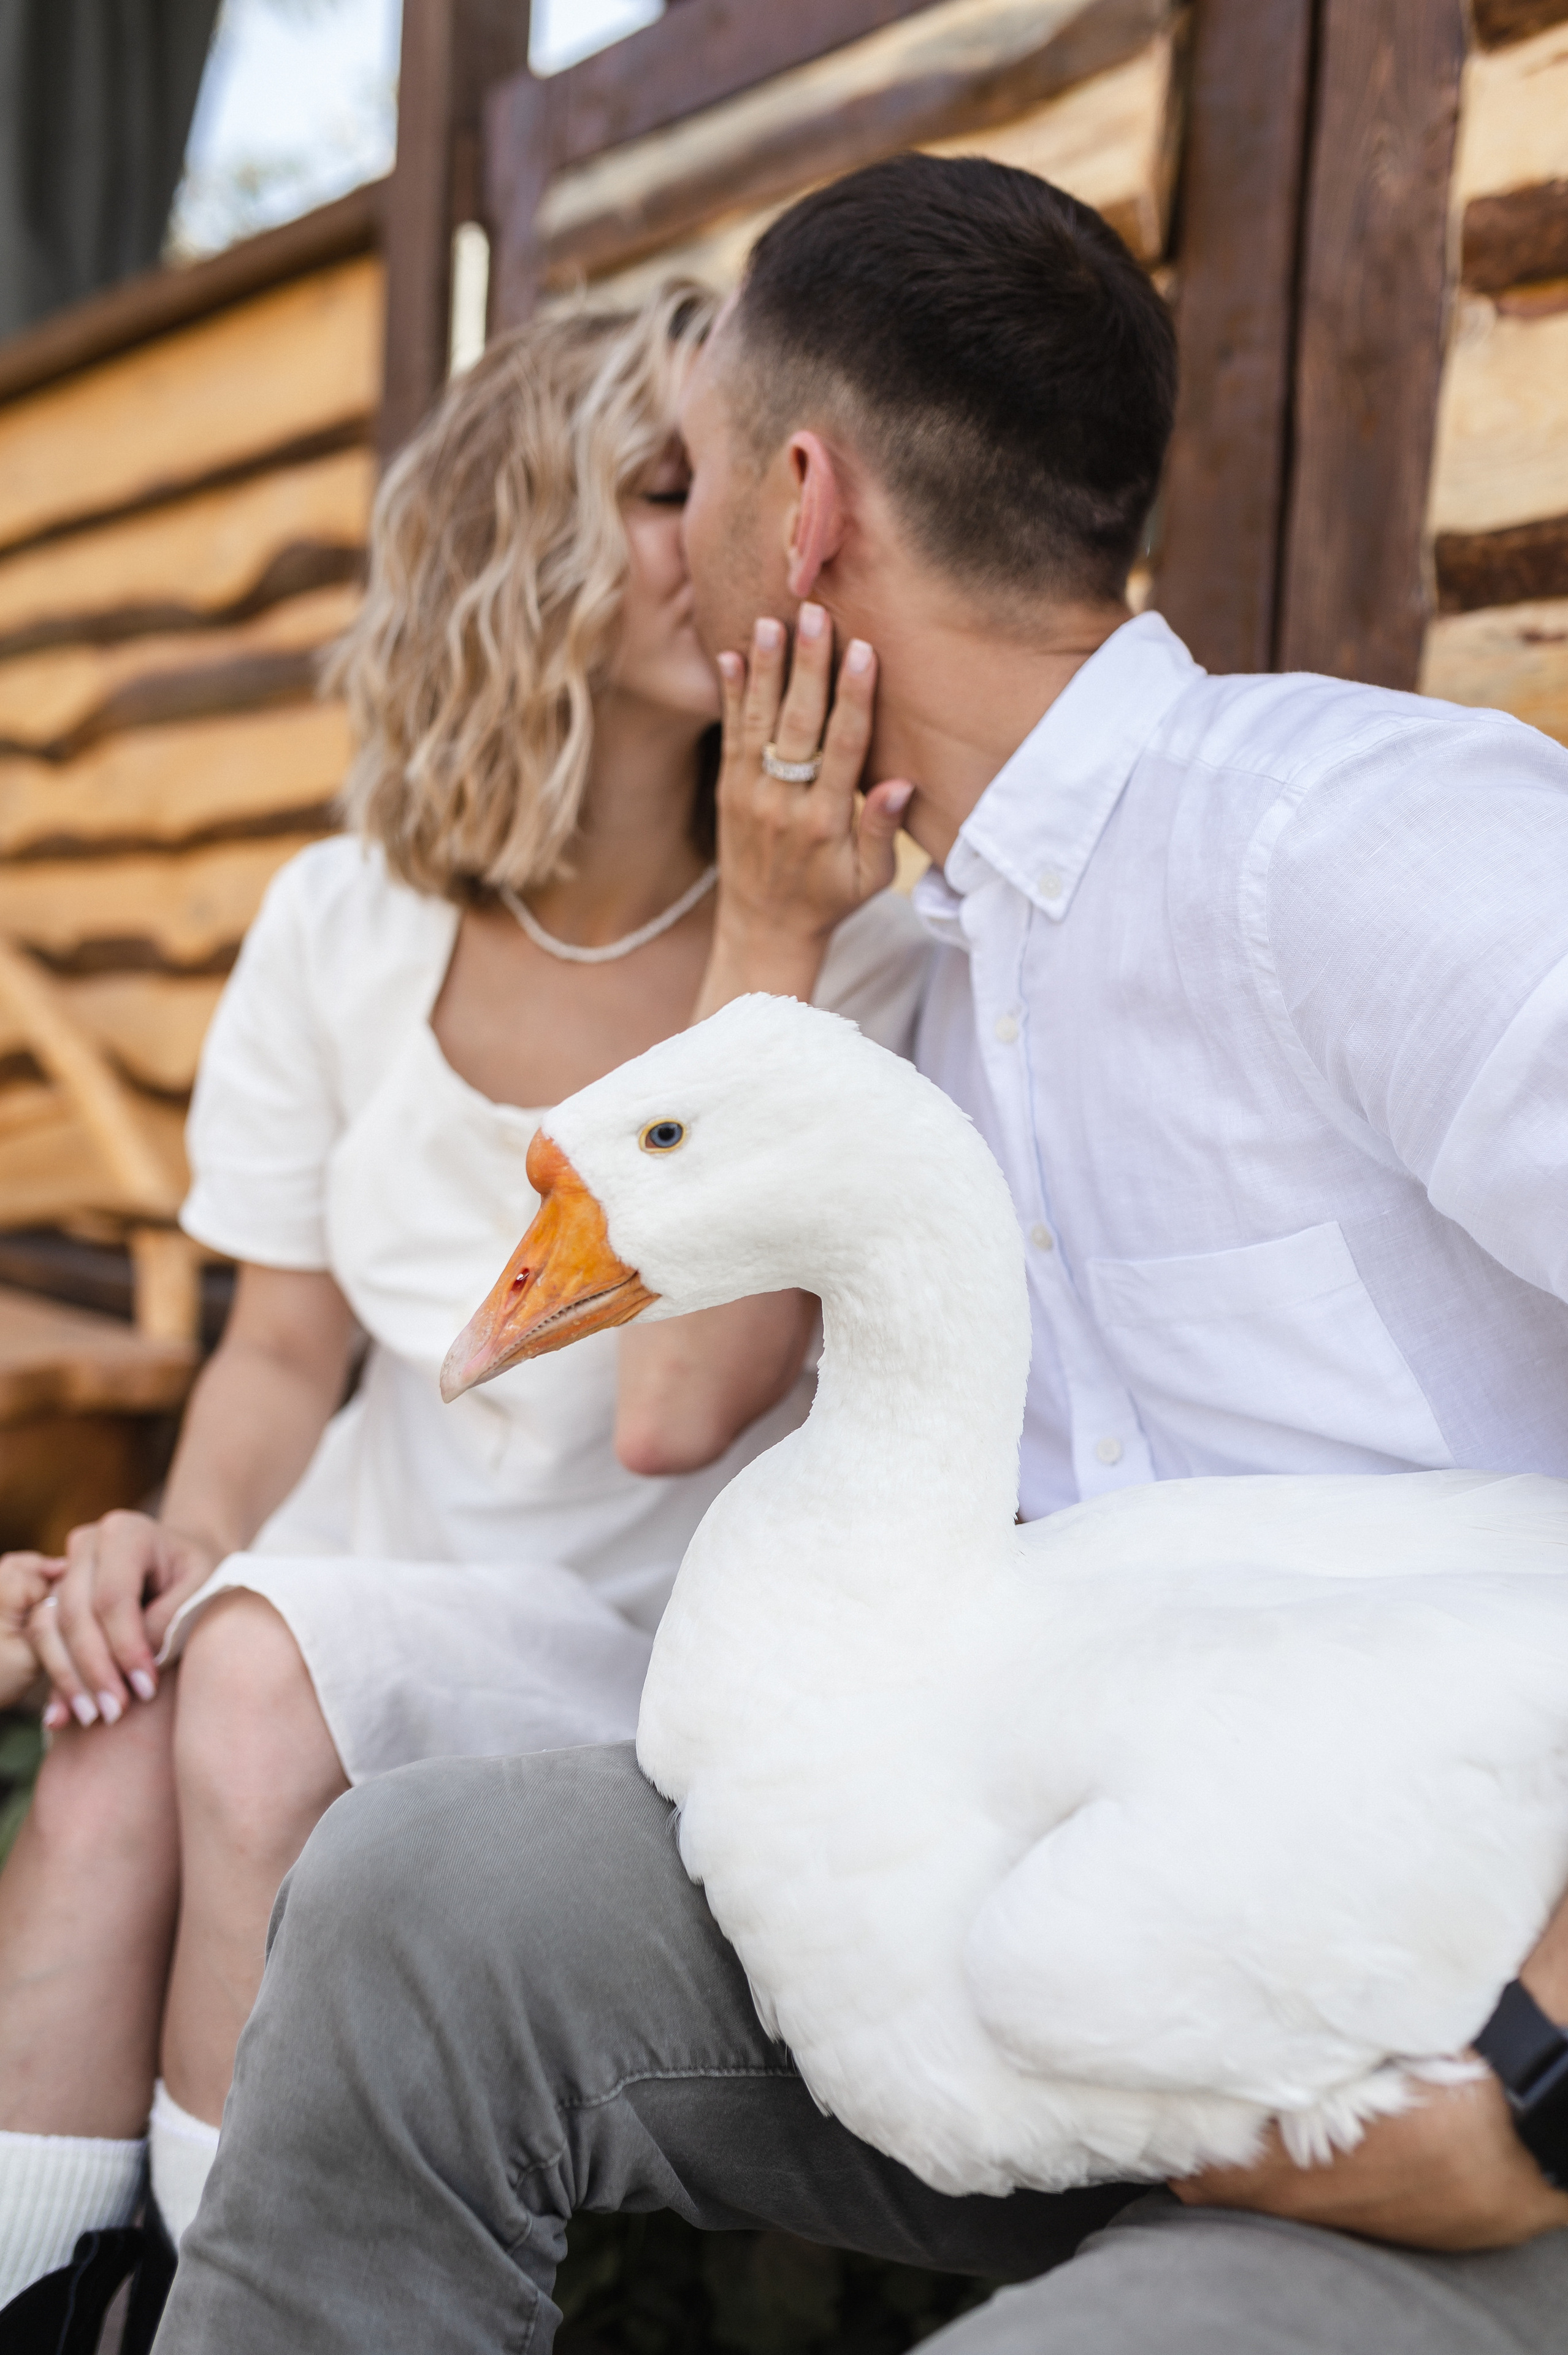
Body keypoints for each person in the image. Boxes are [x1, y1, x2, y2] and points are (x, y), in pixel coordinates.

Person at [153, 155, 1568, 2355]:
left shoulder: (1360, 848)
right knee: (429, 1903)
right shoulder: (910, 952)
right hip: (988, 1948)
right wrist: (780, 932)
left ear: (797, 513)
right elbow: (663, 1415)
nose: (670, 534)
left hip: (1420, 2082)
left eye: (684, 475)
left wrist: (1542, 2074)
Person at [0, 282, 928, 2326]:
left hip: (643, 1652)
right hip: (347, 1592)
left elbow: (685, 1409)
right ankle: (54, 2305)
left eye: (751, 488)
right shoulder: (342, 921)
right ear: (527, 538)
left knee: (243, 1688)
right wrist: (181, 1544)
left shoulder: (840, 937)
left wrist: (771, 929)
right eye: (666, 486)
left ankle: (235, 2301)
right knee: (116, 1713)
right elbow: (277, 1352)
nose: (741, 543)